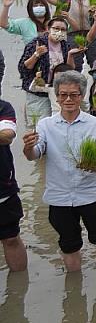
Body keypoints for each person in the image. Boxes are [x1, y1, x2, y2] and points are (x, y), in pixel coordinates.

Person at [22, 71, 96, 272]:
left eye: (74, 94)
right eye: (63, 94)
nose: (68, 99)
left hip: (92, 194)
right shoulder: (46, 125)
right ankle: (74, 288)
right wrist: (28, 147)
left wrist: (95, 164)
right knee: (69, 244)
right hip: (60, 197)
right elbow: (35, 154)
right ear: (56, 96)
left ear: (81, 96)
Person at [18, 17, 82, 125]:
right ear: (48, 28)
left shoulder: (65, 46)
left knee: (58, 125)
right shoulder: (36, 43)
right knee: (37, 125)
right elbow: (23, 68)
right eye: (56, 28)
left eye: (63, 29)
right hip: (38, 92)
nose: (59, 32)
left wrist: (71, 55)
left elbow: (70, 70)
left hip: (56, 92)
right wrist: (36, 54)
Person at [35, 0, 96, 68]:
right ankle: (76, 80)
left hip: (89, 35)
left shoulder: (92, 3)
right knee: (75, 63)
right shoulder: (67, 2)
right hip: (73, 35)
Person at [0, 99, 27, 271]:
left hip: (3, 187)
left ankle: (18, 291)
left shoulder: (3, 107)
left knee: (11, 238)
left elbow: (7, 136)